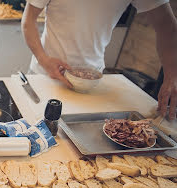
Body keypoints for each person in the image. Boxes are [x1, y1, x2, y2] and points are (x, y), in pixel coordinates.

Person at [22, 1, 177, 120]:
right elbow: (28, 20)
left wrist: (172, 76)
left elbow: (167, 26)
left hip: (93, 83)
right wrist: (44, 60)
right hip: (46, 76)